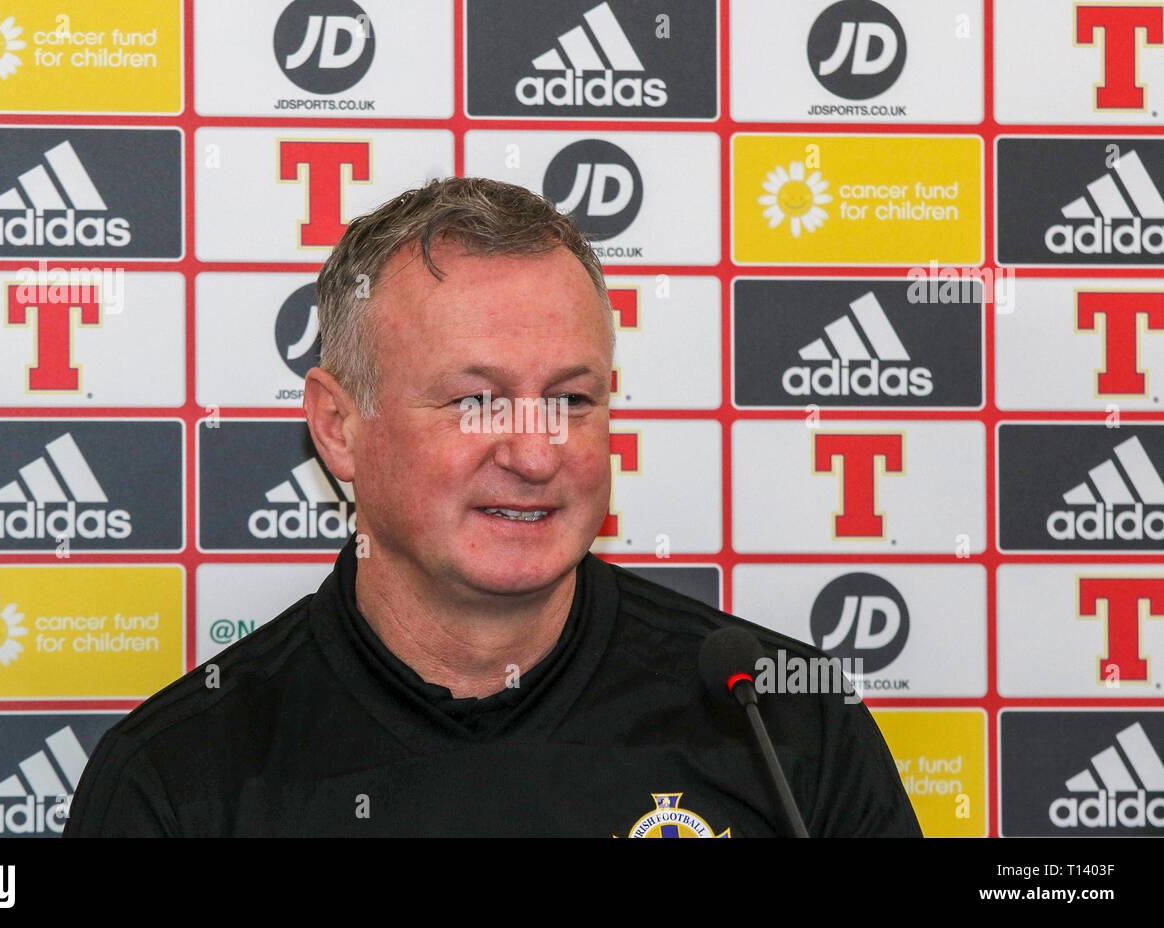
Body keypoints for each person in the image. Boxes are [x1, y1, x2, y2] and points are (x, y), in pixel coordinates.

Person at [63, 176, 921, 837]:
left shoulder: (781, 723)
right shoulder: (181, 777)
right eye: (477, 402)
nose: (538, 453)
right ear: (339, 428)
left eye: (573, 401)